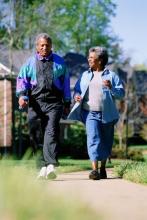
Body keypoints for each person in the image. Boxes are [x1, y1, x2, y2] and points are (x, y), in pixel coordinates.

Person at [16, 33, 71, 179]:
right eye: (42, 45)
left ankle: (51, 165)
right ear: (37, 47)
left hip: (54, 102)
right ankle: (41, 167)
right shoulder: (29, 62)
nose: (45, 47)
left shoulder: (60, 62)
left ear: (51, 46)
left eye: (47, 45)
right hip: (35, 103)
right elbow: (22, 80)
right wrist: (22, 95)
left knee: (51, 131)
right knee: (34, 133)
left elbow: (66, 83)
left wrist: (67, 101)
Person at [68, 46, 125, 180]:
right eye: (89, 57)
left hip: (107, 114)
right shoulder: (85, 75)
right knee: (93, 139)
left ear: (100, 60)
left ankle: (103, 167)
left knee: (106, 141)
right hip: (90, 113)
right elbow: (77, 90)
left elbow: (121, 94)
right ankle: (94, 170)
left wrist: (111, 87)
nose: (89, 59)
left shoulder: (111, 76)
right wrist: (76, 96)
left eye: (92, 57)